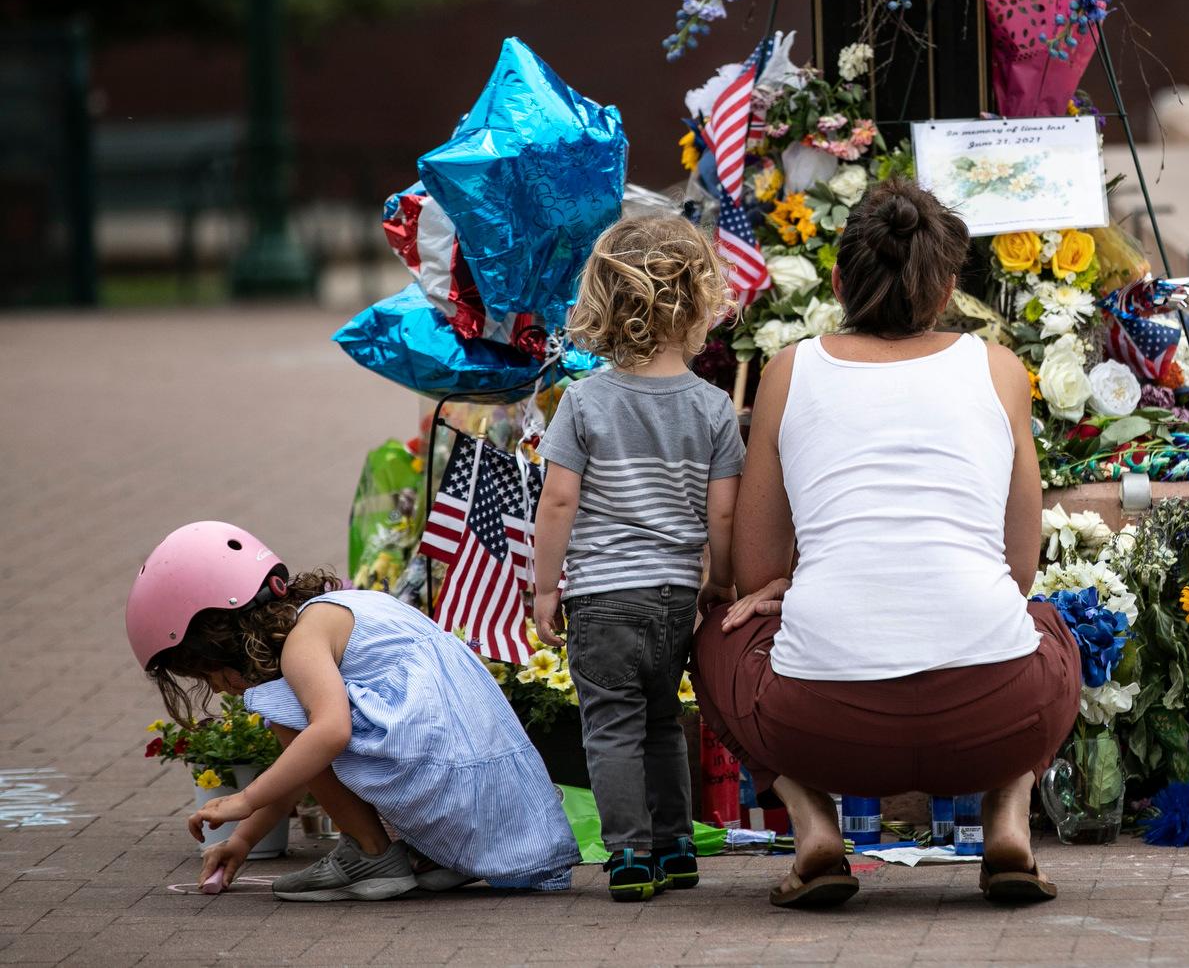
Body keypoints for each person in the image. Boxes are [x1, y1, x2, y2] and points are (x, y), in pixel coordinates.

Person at [693, 180, 1082, 911]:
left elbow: (755, 573)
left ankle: (813, 826)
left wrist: (796, 586)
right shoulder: (999, 370)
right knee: (1052, 629)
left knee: (719, 631)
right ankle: (1008, 814)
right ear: (945, 291)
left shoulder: (789, 372)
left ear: (838, 282)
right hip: (998, 718)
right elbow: (1019, 570)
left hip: (820, 725)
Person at [127, 520, 579, 901]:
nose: (219, 686)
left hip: (451, 788)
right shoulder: (342, 608)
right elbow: (306, 764)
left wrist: (245, 799)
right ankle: (438, 854)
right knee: (306, 728)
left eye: (207, 672)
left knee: (289, 713)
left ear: (219, 635)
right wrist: (244, 838)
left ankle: (370, 855)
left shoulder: (302, 644)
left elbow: (330, 735)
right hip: (491, 799)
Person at [529, 214, 743, 902]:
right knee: (661, 721)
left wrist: (543, 588)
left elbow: (559, 500)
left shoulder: (586, 402)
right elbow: (724, 513)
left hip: (603, 597)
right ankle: (677, 845)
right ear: (698, 303)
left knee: (611, 727)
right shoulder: (712, 408)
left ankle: (628, 855)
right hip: (675, 595)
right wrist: (722, 582)